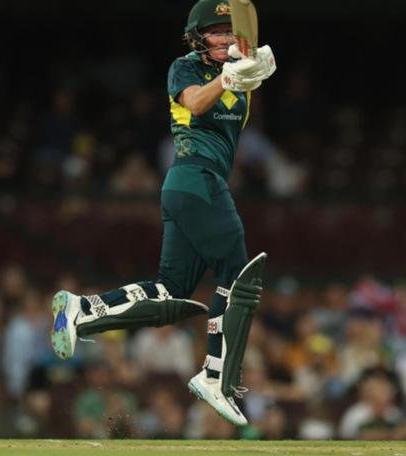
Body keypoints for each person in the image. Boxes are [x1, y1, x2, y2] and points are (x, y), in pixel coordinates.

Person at [49, 0, 277, 428]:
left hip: (191, 187)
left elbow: (242, 86)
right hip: (196, 179)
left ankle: (82, 312)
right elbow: (194, 104)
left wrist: (251, 69)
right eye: (217, 31)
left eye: (231, 32)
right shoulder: (184, 68)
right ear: (197, 36)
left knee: (170, 291)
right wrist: (230, 76)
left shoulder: (235, 72)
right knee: (239, 277)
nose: (226, 38)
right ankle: (217, 378)